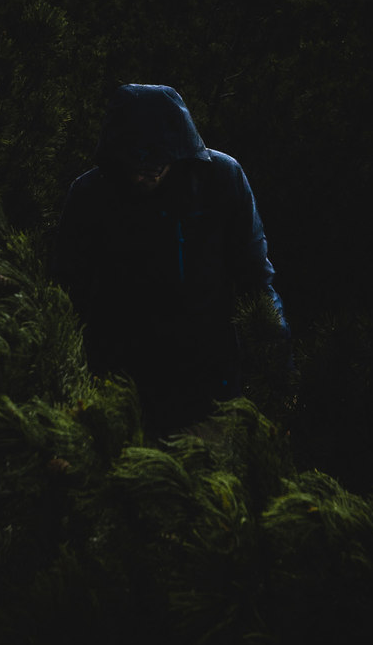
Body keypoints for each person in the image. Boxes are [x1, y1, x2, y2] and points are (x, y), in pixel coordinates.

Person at [53, 83, 291, 435]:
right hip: (120, 375)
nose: (143, 171)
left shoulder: (222, 179)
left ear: (178, 151)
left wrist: (279, 370)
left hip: (209, 375)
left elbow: (256, 277)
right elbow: (66, 288)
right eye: (135, 159)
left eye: (156, 161)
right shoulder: (90, 194)